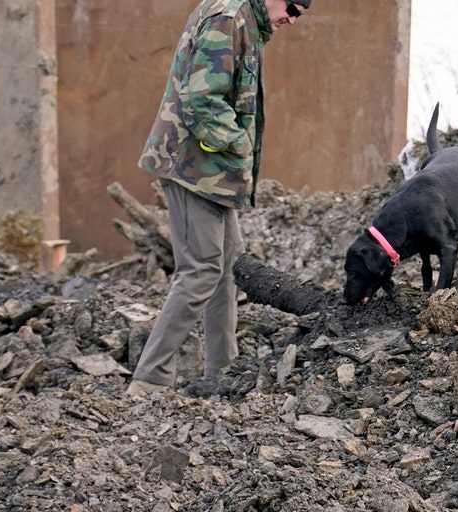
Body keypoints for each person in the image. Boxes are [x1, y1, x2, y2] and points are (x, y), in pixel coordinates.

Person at [127, 0, 311, 396]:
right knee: (202, 270)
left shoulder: (245, 21)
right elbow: (200, 98)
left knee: (226, 267)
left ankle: (220, 372)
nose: (292, 20)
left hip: (212, 175)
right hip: (193, 169)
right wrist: (239, 142)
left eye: (300, 14)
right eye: (292, 7)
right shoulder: (229, 18)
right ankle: (149, 381)